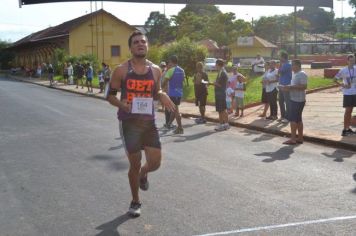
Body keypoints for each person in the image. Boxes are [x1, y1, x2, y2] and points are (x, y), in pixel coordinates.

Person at [106, 31, 175, 217]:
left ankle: (145, 173)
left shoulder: (155, 70)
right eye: (136, 42)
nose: (140, 44)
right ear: (130, 47)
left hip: (148, 122)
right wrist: (122, 105)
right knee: (134, 164)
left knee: (155, 163)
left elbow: (156, 90)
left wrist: (161, 94)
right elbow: (109, 96)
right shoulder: (121, 70)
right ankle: (135, 201)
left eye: (143, 41)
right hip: (129, 123)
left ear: (148, 46)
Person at [280, 59, 307, 145]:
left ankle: (293, 139)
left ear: (297, 66)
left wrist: (290, 87)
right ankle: (300, 138)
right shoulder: (294, 74)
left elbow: (304, 86)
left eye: (292, 65)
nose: (291, 67)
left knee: (293, 120)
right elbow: (295, 86)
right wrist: (287, 87)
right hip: (294, 98)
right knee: (298, 119)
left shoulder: (302, 74)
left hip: (298, 100)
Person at [162, 55, 185, 134]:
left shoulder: (171, 70)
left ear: (171, 61)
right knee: (174, 110)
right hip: (179, 93)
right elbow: (182, 82)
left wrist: (160, 89)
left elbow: (165, 81)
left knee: (175, 111)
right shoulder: (182, 70)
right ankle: (169, 124)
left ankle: (180, 128)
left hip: (172, 93)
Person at [334, 54, 356, 136]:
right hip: (348, 93)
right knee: (348, 111)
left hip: (355, 92)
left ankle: (348, 128)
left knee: (351, 111)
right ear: (347, 61)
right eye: (351, 60)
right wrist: (343, 85)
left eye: (354, 60)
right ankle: (345, 129)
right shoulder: (343, 70)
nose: (352, 62)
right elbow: (335, 79)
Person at [210, 58, 229, 131]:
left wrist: (214, 83)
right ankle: (224, 124)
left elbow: (220, 85)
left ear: (218, 65)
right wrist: (212, 83)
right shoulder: (221, 71)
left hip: (221, 94)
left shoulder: (223, 72)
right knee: (221, 109)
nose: (215, 65)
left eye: (216, 64)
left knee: (222, 110)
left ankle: (223, 124)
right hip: (220, 93)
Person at [278, 51, 292, 123]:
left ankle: (288, 117)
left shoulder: (287, 65)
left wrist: (280, 64)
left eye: (280, 57)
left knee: (287, 102)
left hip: (286, 86)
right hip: (281, 85)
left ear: (283, 58)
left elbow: (279, 72)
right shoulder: (284, 64)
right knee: (280, 101)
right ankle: (283, 116)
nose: (279, 58)